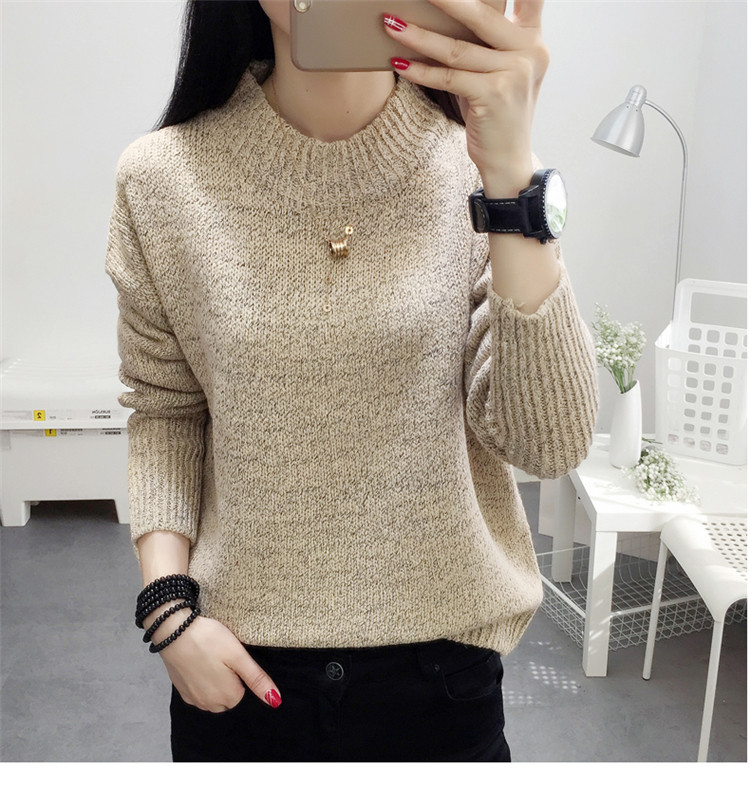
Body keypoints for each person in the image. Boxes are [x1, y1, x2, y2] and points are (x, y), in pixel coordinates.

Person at [105, 0, 599, 762]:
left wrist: (511, 176)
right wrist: (168, 615)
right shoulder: (161, 180)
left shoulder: (473, 168)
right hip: (238, 679)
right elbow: (166, 412)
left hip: (443, 688)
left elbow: (549, 442)